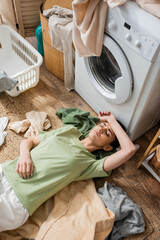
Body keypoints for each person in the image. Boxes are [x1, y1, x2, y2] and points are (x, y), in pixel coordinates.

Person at [0, 111, 136, 232]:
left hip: (18, 200)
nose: (101, 130)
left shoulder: (90, 164)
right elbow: (29, 141)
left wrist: (111, 120)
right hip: (6, 171)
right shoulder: (70, 131)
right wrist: (25, 156)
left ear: (107, 148)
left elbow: (129, 150)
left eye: (108, 133)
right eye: (102, 125)